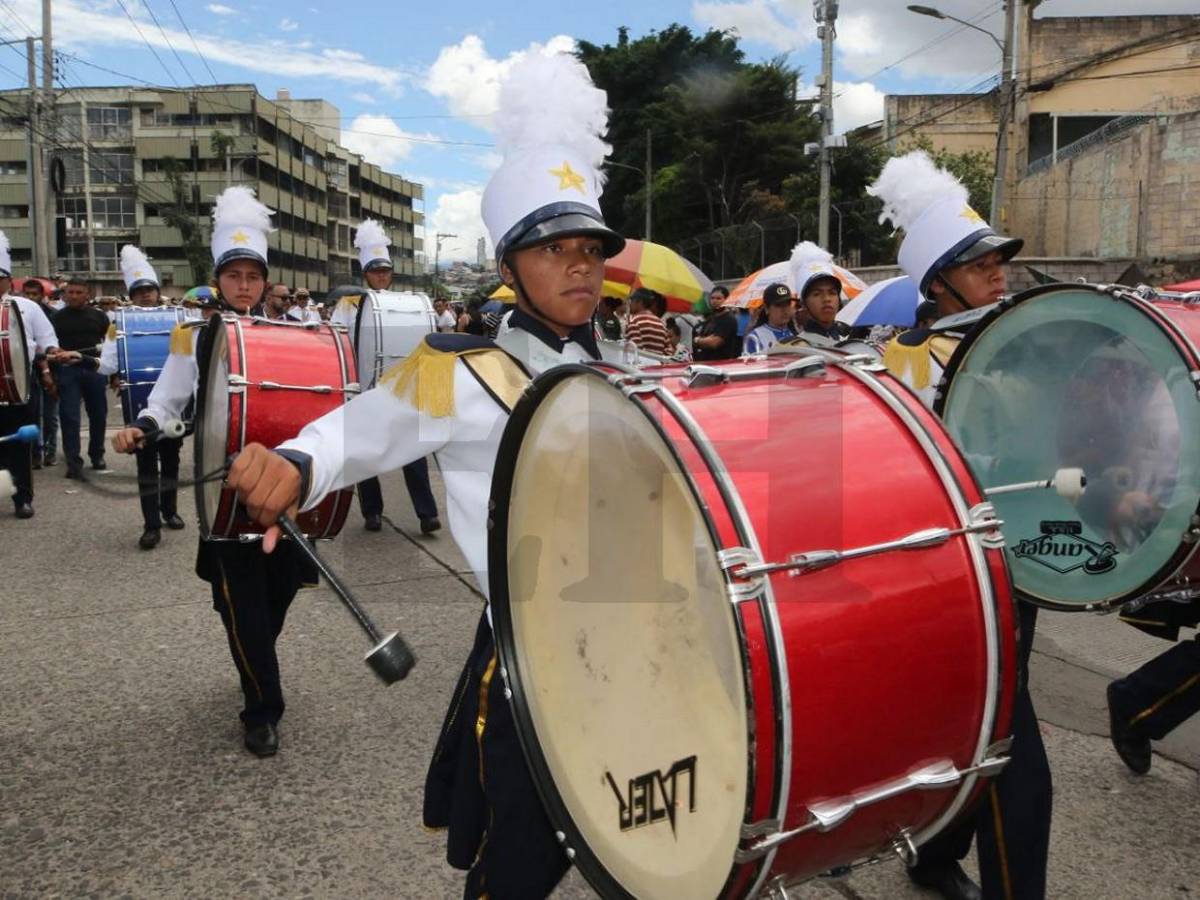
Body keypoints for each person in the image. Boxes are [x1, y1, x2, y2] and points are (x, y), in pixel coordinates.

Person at [223, 52, 628, 899]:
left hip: (642, 632)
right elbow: (360, 430)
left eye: (591, 248)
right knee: (522, 852)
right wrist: (297, 462)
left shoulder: (624, 361)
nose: (582, 265)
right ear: (511, 264)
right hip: (537, 647)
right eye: (557, 249)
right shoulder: (461, 368)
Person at [870, 150, 1043, 900]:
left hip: (1028, 562)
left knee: (982, 729)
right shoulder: (904, 360)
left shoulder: (1038, 339)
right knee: (1014, 755)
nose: (998, 270)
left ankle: (934, 854)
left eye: (1000, 258)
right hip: (958, 576)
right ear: (936, 282)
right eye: (979, 263)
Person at [111, 186, 316, 759]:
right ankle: (262, 709)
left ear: (265, 281)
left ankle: (255, 660)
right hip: (223, 490)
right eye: (235, 276)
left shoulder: (292, 335)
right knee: (244, 607)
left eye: (254, 275)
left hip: (279, 488)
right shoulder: (193, 336)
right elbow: (167, 400)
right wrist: (143, 427)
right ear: (219, 279)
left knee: (276, 596)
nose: (244, 285)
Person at [347, 218, 442, 535]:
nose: (382, 276)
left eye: (386, 271)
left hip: (401, 390)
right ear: (365, 274)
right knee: (366, 455)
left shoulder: (406, 305)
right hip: (364, 389)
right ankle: (372, 511)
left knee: (412, 452)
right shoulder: (348, 306)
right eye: (376, 271)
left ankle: (427, 514)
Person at [98, 246, 185, 550]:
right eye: (139, 291)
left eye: (149, 289)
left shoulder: (180, 319)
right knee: (147, 465)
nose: (145, 295)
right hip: (139, 407)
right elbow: (108, 365)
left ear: (157, 291)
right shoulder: (117, 325)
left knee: (171, 459)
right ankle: (151, 526)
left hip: (173, 405)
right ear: (131, 296)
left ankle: (170, 510)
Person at [0, 234, 59, 518]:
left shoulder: (27, 307)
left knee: (20, 445)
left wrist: (52, 355)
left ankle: (22, 498)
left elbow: (47, 339)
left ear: (8, 281)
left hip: (20, 386)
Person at [49, 276, 109, 479]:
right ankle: (73, 462)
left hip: (94, 369)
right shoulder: (56, 318)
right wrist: (52, 377)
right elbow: (50, 347)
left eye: (78, 292)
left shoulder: (100, 317)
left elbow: (110, 347)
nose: (73, 296)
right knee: (69, 417)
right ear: (64, 295)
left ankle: (97, 454)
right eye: (70, 292)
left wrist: (114, 374)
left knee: (99, 414)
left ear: (87, 294)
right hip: (68, 371)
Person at [20, 278, 59, 469]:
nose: (30, 297)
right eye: (27, 294)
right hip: (27, 371)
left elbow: (49, 343)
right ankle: (35, 452)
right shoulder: (16, 312)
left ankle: (50, 451)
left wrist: (48, 371)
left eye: (34, 294)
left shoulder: (52, 315)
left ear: (42, 296)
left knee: (50, 415)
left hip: (50, 369)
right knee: (32, 415)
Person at [789, 241, 848, 342]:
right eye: (817, 294)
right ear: (803, 304)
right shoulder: (794, 349)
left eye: (832, 293)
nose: (827, 299)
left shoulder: (850, 340)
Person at [742, 283, 796, 354]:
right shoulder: (755, 337)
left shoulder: (796, 333)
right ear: (766, 308)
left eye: (788, 304)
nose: (785, 309)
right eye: (778, 305)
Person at [693, 284, 740, 360]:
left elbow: (714, 343)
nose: (714, 301)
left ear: (726, 299)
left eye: (718, 298)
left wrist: (698, 340)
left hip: (721, 364)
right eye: (712, 298)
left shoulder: (728, 319)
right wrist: (705, 340)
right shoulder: (711, 318)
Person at [624, 287, 670, 356]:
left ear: (640, 302)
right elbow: (669, 352)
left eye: (632, 300)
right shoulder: (661, 324)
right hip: (658, 366)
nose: (630, 304)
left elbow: (635, 351)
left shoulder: (635, 321)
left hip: (641, 366)